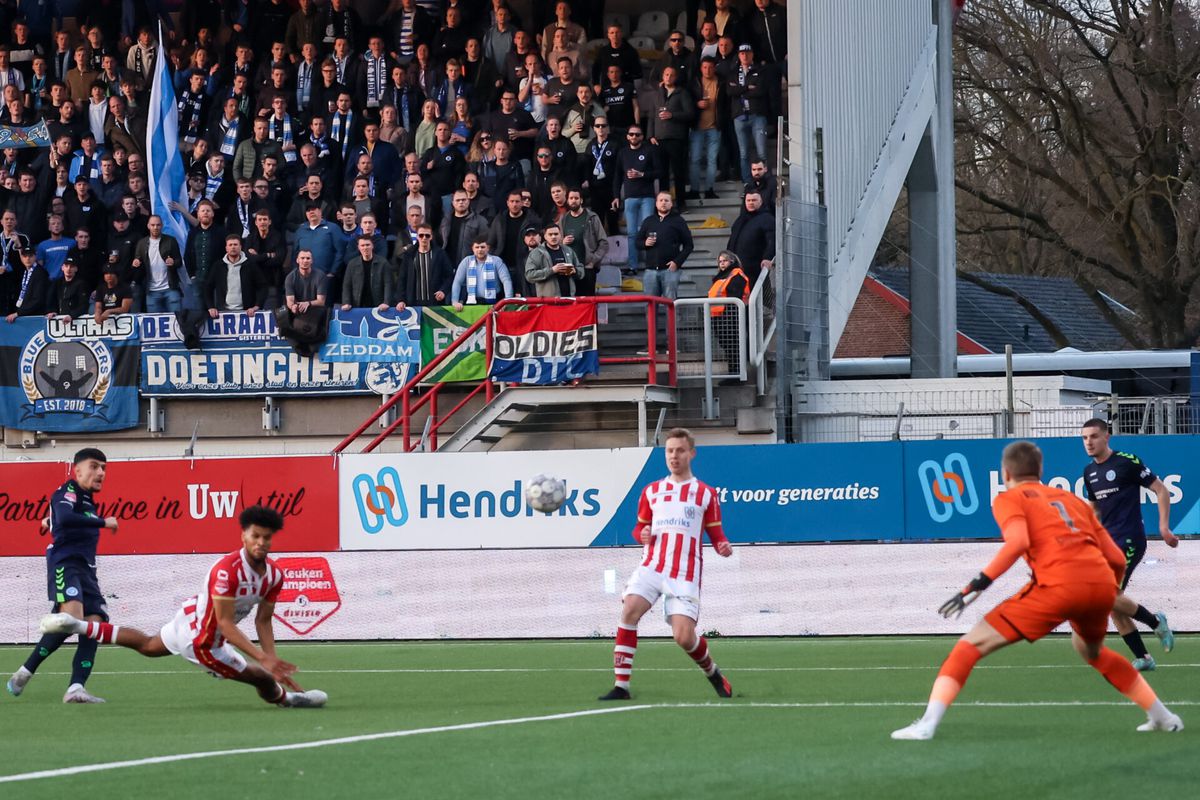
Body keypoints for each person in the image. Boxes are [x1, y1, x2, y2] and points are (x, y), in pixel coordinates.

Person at [892, 441, 1183, 740]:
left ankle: (927, 724)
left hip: (1056, 586)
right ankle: (1163, 716)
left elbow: (1017, 543)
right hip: (1099, 586)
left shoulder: (1009, 499)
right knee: (1092, 651)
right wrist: (1105, 589)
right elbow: (1116, 558)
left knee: (969, 646)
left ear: (1006, 473)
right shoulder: (1071, 501)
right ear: (1040, 471)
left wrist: (977, 584)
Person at [41, 505, 327, 709]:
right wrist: (265, 663)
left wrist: (272, 657)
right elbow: (226, 625)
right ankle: (288, 700)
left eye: (267, 537)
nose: (261, 543)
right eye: (255, 536)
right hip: (203, 641)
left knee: (149, 646)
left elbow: (263, 622)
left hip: (191, 616)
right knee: (260, 678)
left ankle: (78, 625)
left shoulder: (275, 575)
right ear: (243, 536)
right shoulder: (227, 571)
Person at [599, 428, 734, 701]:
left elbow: (716, 533)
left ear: (691, 454)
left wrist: (722, 546)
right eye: (670, 451)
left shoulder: (705, 494)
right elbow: (639, 529)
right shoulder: (652, 491)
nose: (674, 456)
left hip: (684, 572)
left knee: (684, 637)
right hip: (652, 565)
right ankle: (621, 686)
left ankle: (712, 671)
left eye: (680, 450)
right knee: (629, 610)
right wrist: (642, 535)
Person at [7, 449, 119, 704]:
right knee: (74, 620)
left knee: (93, 626)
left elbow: (64, 514)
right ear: (77, 470)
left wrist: (49, 519)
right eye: (94, 466)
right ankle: (26, 670)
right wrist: (105, 522)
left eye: (104, 467)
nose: (101, 472)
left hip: (88, 570)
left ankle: (75, 688)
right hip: (65, 564)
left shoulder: (86, 499)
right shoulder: (67, 491)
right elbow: (66, 514)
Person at [1081, 418, 1178, 670]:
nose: (1089, 442)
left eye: (1094, 436)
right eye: (1084, 438)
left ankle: (1156, 622)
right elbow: (1094, 512)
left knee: (1106, 596)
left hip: (1129, 538)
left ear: (1107, 437)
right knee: (1112, 602)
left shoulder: (1127, 462)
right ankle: (1144, 658)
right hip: (1106, 543)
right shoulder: (1089, 472)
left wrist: (1164, 527)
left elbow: (1161, 490)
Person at [635, 192, 693, 300]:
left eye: (666, 200)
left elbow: (689, 245)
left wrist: (677, 262)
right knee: (650, 306)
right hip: (650, 270)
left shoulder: (679, 221)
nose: (663, 203)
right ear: (656, 203)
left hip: (670, 270)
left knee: (671, 305)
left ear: (671, 204)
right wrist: (645, 243)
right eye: (661, 200)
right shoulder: (648, 221)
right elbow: (637, 242)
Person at [395, 223, 453, 309]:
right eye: (421, 235)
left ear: (431, 237)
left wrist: (443, 291)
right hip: (413, 303)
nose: (424, 238)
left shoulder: (440, 254)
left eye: (427, 235)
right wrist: (401, 299)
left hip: (435, 303)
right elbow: (402, 279)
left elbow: (449, 276)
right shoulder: (409, 255)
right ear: (417, 237)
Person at [709, 251, 750, 372]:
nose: (722, 264)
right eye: (720, 261)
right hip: (719, 316)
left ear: (732, 261)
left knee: (733, 346)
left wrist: (729, 315)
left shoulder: (736, 274)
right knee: (728, 346)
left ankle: (736, 373)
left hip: (730, 316)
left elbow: (735, 294)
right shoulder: (722, 276)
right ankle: (734, 373)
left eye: (725, 261)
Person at [451, 235, 513, 308]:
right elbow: (457, 282)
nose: (480, 250)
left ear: (488, 248)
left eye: (483, 247)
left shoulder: (497, 261)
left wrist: (508, 301)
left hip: (494, 302)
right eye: (477, 247)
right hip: (473, 302)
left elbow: (506, 280)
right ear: (472, 249)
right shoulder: (466, 261)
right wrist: (455, 301)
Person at [524, 222, 582, 298]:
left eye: (556, 234)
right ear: (545, 236)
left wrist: (574, 271)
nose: (553, 237)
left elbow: (581, 270)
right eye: (550, 234)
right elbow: (529, 275)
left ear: (560, 235)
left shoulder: (568, 250)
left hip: (569, 299)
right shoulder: (536, 253)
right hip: (548, 302)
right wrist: (552, 270)